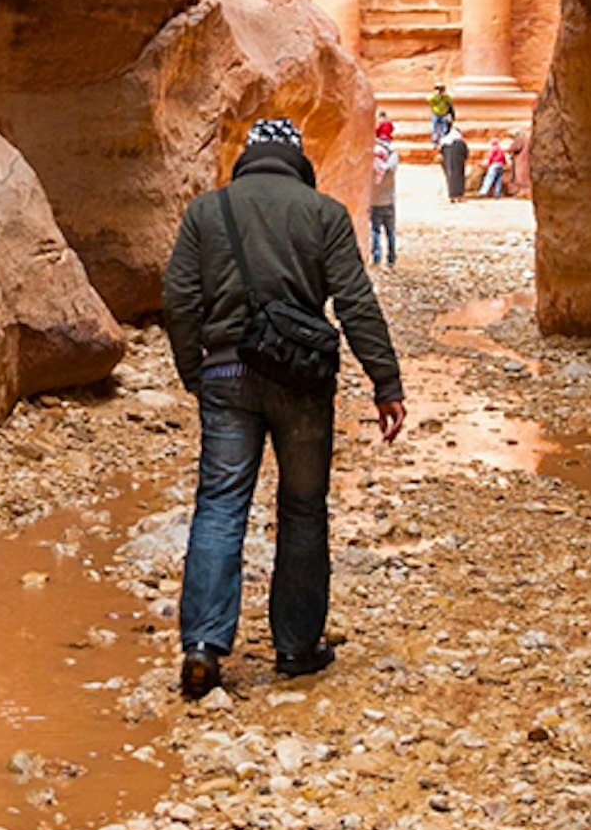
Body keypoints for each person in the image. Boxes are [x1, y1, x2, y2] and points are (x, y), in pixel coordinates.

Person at [159, 117, 408, 698]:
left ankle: (202, 644)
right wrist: (385, 381)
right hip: (302, 383)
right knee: (302, 508)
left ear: (249, 158)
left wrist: (193, 369)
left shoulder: (206, 212)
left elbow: (179, 298)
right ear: (297, 161)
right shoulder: (322, 214)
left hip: (225, 373)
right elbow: (354, 301)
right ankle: (296, 647)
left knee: (220, 505)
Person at [366, 117, 400, 269]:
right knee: (390, 231)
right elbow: (390, 168)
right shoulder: (392, 154)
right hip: (389, 199)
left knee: (375, 231)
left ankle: (376, 257)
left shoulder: (370, 155)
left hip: (374, 200)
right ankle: (391, 258)